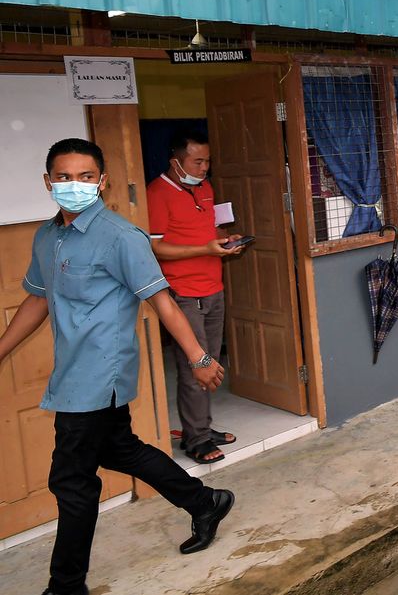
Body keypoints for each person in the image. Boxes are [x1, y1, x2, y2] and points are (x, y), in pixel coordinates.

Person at [0, 139, 235, 595]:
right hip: (71, 370)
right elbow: (38, 299)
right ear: (48, 182)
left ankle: (66, 586)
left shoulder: (121, 237)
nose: (74, 185)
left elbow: (162, 301)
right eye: (64, 177)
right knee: (118, 449)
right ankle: (205, 501)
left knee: (71, 481)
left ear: (102, 181)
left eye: (85, 176)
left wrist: (200, 357)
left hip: (99, 373)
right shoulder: (47, 237)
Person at [147, 130, 244, 464]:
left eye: (207, 161)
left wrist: (225, 240)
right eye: (197, 161)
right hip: (183, 294)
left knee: (210, 364)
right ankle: (196, 440)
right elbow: (155, 246)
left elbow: (207, 230)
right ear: (176, 161)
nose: (204, 168)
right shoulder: (157, 193)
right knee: (194, 367)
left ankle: (199, 427)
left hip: (213, 287)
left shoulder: (204, 188)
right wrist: (205, 249)